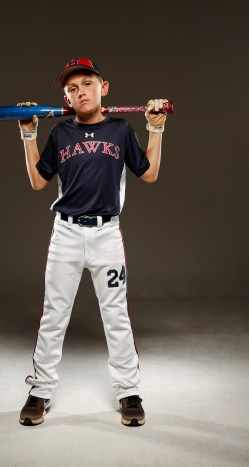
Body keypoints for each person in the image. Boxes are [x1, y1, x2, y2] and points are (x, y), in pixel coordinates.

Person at [17, 58, 168, 427]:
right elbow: (38, 182)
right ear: (66, 98)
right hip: (66, 234)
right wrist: (28, 135)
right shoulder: (61, 135)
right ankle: (40, 390)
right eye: (71, 88)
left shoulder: (120, 130)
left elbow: (148, 173)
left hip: (106, 235)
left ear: (104, 88)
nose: (79, 91)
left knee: (116, 315)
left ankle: (129, 391)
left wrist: (155, 128)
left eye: (86, 83)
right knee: (54, 314)